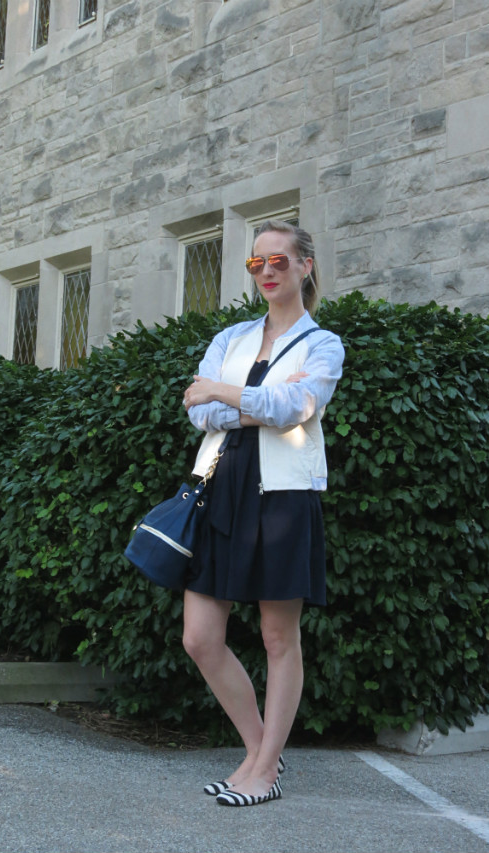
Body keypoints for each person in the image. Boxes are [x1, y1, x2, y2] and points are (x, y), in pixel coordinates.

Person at [182, 220, 345, 807]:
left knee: (279, 636)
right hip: (221, 486)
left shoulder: (323, 345)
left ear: (305, 265)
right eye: (257, 264)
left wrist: (222, 393)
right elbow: (198, 413)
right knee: (200, 637)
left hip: (283, 496)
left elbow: (295, 408)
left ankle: (263, 768)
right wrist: (257, 407)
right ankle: (260, 755)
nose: (268, 271)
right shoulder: (230, 338)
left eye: (279, 260)